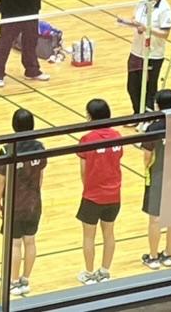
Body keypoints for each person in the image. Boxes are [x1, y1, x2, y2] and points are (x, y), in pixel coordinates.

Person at [0, 109, 46, 296]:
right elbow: (40, 175)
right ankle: (25, 279)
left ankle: (14, 282)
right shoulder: (40, 147)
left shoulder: (7, 149)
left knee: (15, 244)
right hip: (34, 202)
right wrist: (35, 195)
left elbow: (2, 179)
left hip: (15, 204)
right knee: (30, 241)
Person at [76, 99, 123, 285]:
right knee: (109, 233)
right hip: (114, 194)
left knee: (89, 236)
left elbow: (83, 170)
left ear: (90, 116)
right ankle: (104, 271)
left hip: (93, 195)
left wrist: (87, 187)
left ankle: (89, 273)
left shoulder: (87, 139)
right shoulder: (117, 135)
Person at [121, 0, 171, 124]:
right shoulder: (142, 2)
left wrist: (147, 29)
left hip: (153, 54)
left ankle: (148, 118)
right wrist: (129, 23)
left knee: (149, 87)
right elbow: (135, 19)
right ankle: (137, 114)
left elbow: (165, 33)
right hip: (136, 50)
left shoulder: (164, 9)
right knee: (132, 86)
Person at [140, 89, 171, 269]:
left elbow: (147, 156)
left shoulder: (154, 128)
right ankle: (168, 255)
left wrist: (147, 168)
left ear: (157, 106)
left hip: (157, 175)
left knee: (155, 219)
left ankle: (153, 257)